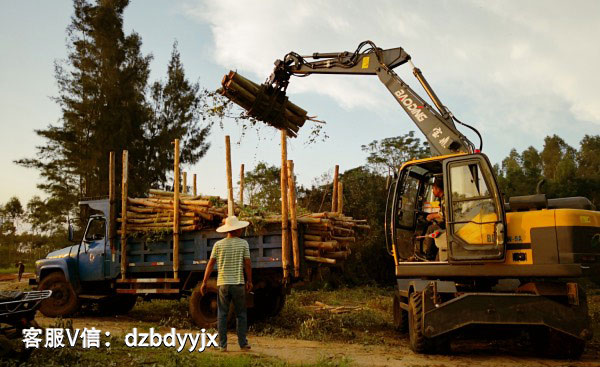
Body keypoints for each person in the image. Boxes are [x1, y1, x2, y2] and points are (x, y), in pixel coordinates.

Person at [200, 216, 253, 352]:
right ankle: (243, 343)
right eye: (240, 228)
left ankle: (222, 345)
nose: (241, 229)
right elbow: (247, 264)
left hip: (223, 284)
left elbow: (210, 264)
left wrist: (204, 281)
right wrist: (249, 281)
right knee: (241, 314)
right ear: (236, 229)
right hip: (238, 284)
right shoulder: (243, 244)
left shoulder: (218, 245)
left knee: (222, 314)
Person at [423, 177, 445, 260]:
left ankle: (429, 255)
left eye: (433, 188)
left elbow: (444, 214)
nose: (432, 190)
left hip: (448, 226)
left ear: (438, 189)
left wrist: (433, 216)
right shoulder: (442, 198)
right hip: (445, 224)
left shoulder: (445, 198)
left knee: (430, 229)